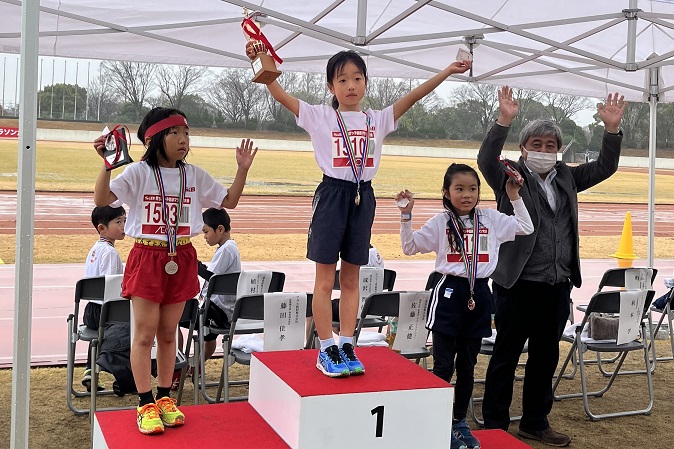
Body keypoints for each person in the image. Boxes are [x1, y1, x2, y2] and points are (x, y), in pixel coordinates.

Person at [248, 42, 471, 377]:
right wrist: (258, 61)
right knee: (325, 278)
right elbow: (278, 92)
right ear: (330, 87)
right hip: (332, 195)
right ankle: (326, 348)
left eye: (357, 78)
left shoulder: (376, 119)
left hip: (363, 196)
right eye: (342, 80)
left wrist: (446, 71)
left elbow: (414, 96)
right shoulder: (320, 116)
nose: (350, 86)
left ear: (366, 82)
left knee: (351, 277)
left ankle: (348, 343)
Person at [93, 107, 258, 435]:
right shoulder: (140, 173)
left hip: (181, 256)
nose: (184, 140)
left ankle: (165, 397)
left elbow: (230, 200)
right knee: (143, 335)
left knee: (169, 335)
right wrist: (106, 164)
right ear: (155, 139)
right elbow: (102, 198)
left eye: (186, 133)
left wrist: (242, 170)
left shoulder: (193, 175)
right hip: (148, 256)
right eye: (175, 133)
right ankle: (144, 402)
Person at [477, 86, 625, 447]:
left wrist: (611, 131)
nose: (544, 151)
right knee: (506, 355)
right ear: (523, 148)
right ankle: (495, 422)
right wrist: (504, 121)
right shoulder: (508, 175)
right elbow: (485, 159)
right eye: (537, 144)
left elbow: (606, 167)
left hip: (557, 282)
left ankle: (535, 421)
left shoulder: (566, 177)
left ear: (559, 150)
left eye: (551, 145)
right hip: (517, 283)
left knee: (545, 355)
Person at [396, 163, 533, 449]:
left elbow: (526, 227)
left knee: (468, 366)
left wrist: (515, 196)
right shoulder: (440, 222)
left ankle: (458, 422)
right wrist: (406, 215)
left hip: (480, 294)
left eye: (473, 189)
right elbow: (409, 247)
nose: (467, 195)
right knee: (444, 365)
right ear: (446, 192)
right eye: (459, 189)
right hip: (448, 293)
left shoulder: (492, 219)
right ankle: (437, 419)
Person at [81, 205, 127, 392]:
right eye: (118, 222)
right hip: (105, 311)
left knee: (100, 336)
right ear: (102, 228)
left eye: (124, 221)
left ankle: (90, 371)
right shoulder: (110, 253)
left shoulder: (95, 249)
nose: (124, 226)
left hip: (90, 311)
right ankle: (123, 378)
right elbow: (112, 287)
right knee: (128, 330)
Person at [197, 207, 241, 362]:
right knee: (208, 336)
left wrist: (193, 265)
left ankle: (188, 365)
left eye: (206, 231)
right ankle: (197, 366)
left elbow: (211, 277)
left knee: (177, 318)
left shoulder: (227, 249)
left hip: (219, 310)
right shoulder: (228, 247)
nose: (205, 236)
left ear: (220, 229)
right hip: (222, 309)